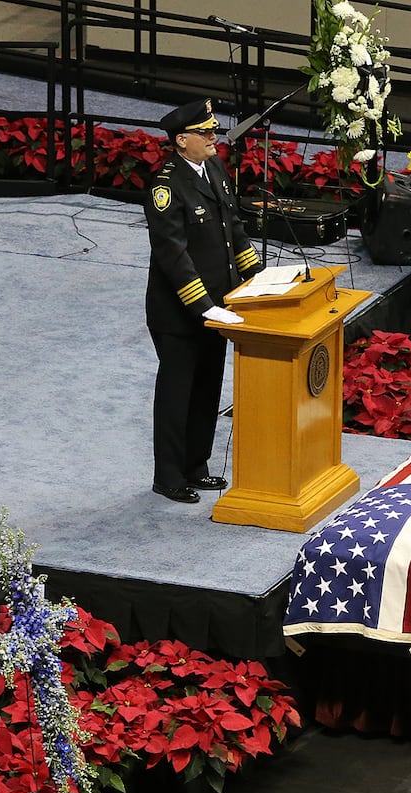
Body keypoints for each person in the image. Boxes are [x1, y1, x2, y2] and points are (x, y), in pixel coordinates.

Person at [144, 98, 263, 504]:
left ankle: (197, 464)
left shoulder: (212, 168)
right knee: (178, 392)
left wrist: (256, 278)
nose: (215, 138)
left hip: (219, 305)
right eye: (205, 133)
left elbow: (233, 228)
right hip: (179, 312)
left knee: (208, 387)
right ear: (181, 141)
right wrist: (204, 306)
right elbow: (172, 255)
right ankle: (169, 475)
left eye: (213, 131)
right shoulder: (165, 185)